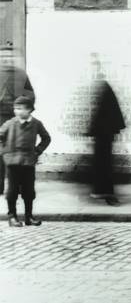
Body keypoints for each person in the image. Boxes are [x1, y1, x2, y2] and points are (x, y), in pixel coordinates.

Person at [0, 95, 50, 226]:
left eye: (21, 109)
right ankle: (12, 217)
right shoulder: (10, 123)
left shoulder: (36, 124)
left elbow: (46, 138)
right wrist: (4, 152)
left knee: (29, 190)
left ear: (29, 110)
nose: (17, 111)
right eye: (16, 108)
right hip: (12, 163)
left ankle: (29, 217)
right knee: (12, 190)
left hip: (28, 162)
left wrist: (37, 151)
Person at [87, 55, 126, 205]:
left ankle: (107, 194)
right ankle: (101, 191)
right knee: (101, 163)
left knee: (104, 163)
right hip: (101, 131)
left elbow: (103, 110)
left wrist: (93, 128)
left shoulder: (102, 85)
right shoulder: (98, 84)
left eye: (94, 66)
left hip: (104, 131)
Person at [0, 45, 34, 199]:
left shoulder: (21, 75)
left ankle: (19, 186)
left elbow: (30, 95)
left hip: (17, 119)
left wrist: (25, 112)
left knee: (19, 151)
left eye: (9, 57)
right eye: (3, 57)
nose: (6, 59)